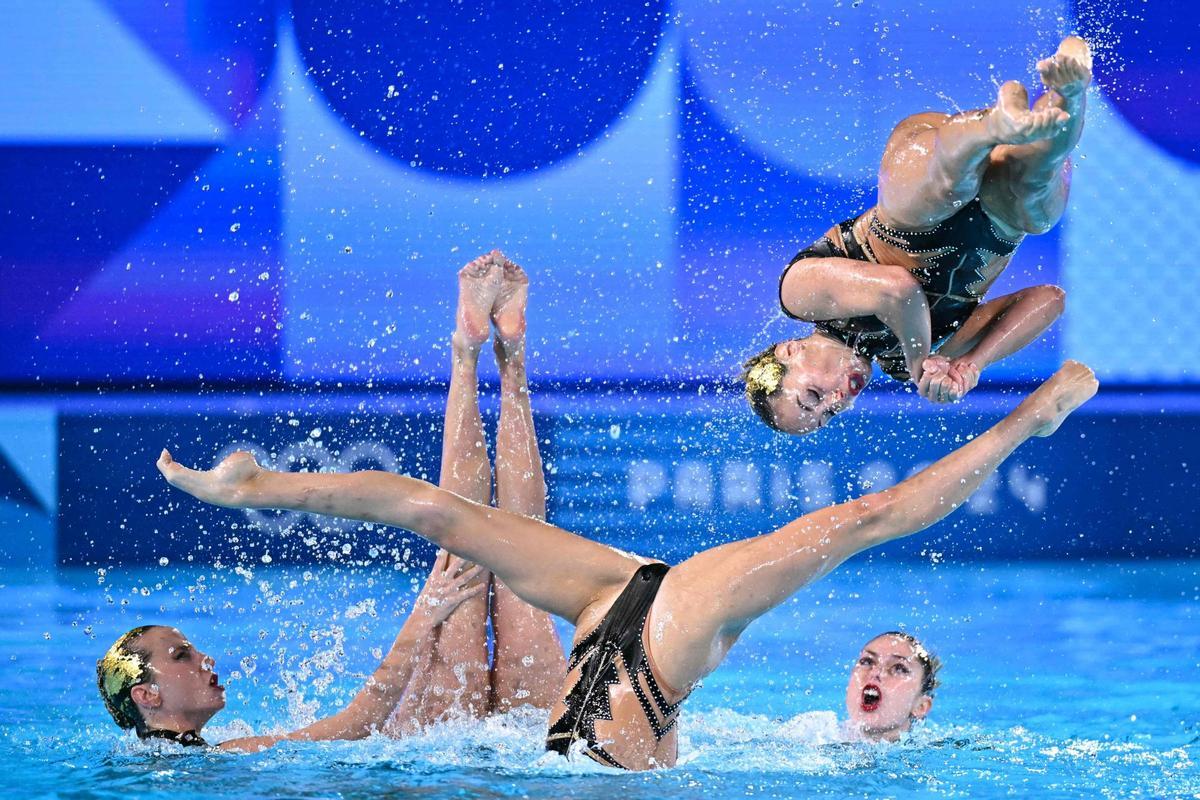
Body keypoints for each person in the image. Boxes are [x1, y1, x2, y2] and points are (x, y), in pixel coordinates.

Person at [157, 346, 1097, 766]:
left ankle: (1027, 420)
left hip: (631, 642)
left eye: (896, 669)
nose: (876, 671)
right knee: (440, 515)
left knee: (862, 519)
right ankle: (254, 484)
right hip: (639, 646)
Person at [99, 251, 566, 751]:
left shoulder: (202, 759)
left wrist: (431, 609)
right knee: (516, 560)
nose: (203, 660)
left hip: (460, 760)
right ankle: (497, 356)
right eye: (181, 657)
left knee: (493, 573)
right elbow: (356, 722)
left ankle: (481, 354)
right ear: (147, 695)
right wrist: (423, 611)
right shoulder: (216, 758)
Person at [743, 36, 1093, 435]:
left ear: (790, 351)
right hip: (999, 224)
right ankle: (1069, 90)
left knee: (943, 189)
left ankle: (994, 125)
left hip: (918, 181)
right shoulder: (908, 357)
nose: (837, 401)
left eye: (813, 396)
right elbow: (1048, 300)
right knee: (1037, 187)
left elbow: (898, 290)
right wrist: (971, 364)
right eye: (829, 415)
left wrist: (918, 362)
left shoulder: (799, 297)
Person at [846, 631, 940, 742]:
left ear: (921, 706)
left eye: (899, 668)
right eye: (867, 661)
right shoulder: (821, 735)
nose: (876, 672)